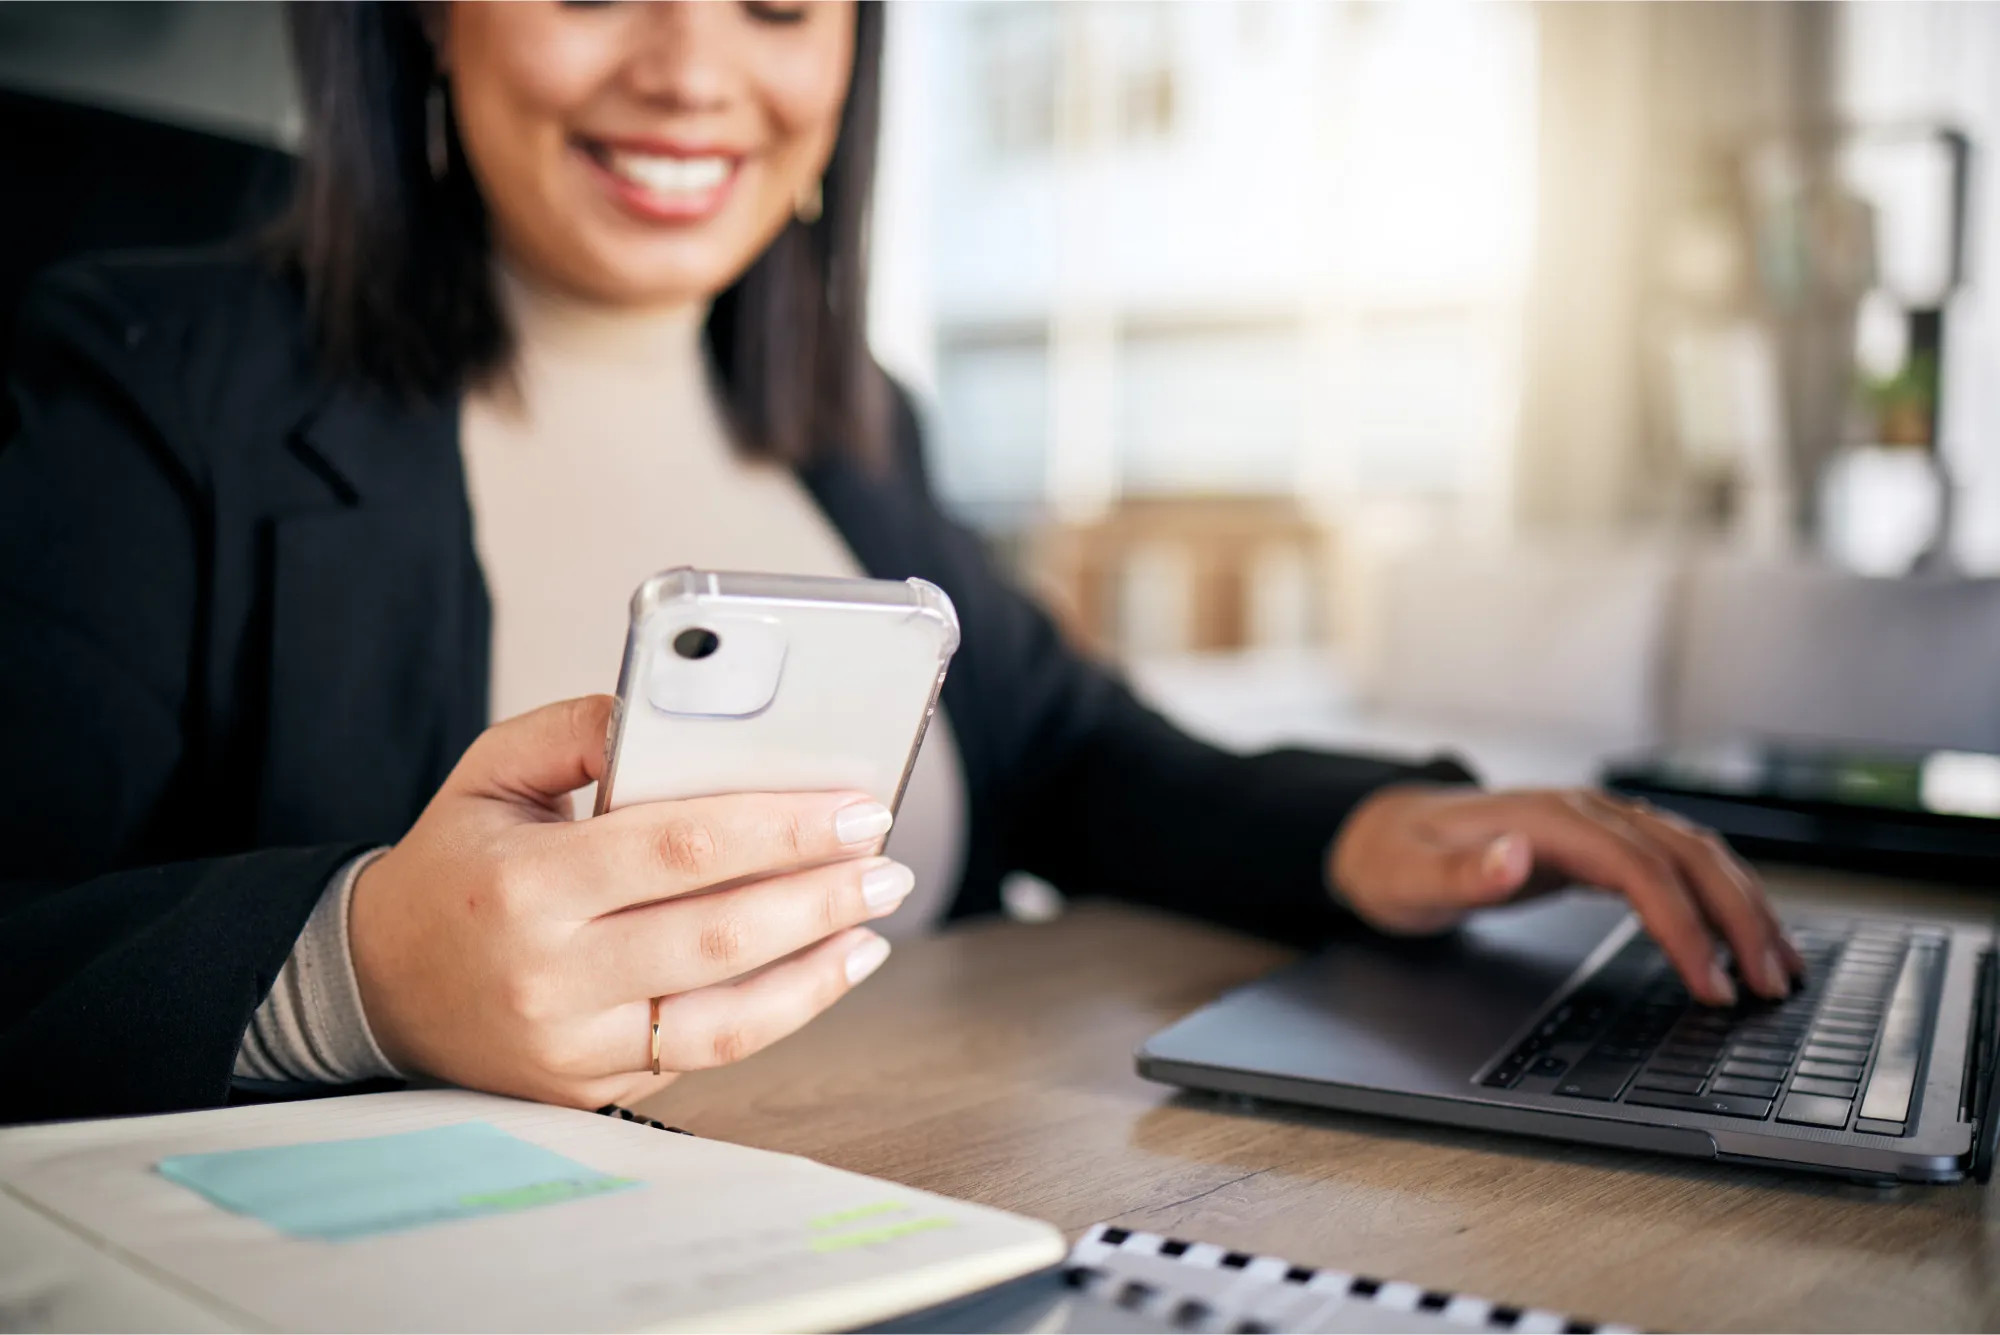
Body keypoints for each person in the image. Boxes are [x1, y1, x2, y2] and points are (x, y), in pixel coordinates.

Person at [0, 1, 1801, 1126]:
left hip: (905, 1207)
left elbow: (1084, 757)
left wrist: (1377, 833)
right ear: (423, 22)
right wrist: (358, 972)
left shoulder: (859, 427)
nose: (694, 66)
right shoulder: (148, 376)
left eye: (780, 1)